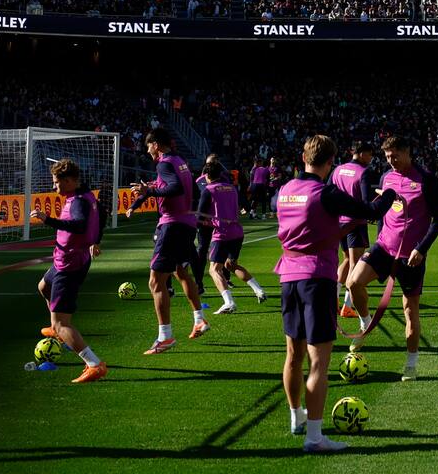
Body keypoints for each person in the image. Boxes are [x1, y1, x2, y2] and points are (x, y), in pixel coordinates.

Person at [276, 134, 394, 454]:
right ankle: (315, 438)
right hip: (316, 278)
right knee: (319, 362)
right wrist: (390, 193)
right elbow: (371, 210)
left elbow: (308, 228)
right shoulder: (325, 192)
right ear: (330, 162)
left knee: (293, 355)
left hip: (288, 276)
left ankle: (296, 417)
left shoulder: (284, 190)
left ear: (304, 158)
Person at [346, 135, 438, 381]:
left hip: (411, 256)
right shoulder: (386, 178)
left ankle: (411, 365)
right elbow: (383, 213)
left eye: (395, 156)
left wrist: (421, 249)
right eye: (388, 156)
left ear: (407, 152)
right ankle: (366, 323)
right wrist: (380, 237)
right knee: (353, 282)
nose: (391, 161)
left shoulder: (426, 180)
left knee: (410, 311)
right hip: (384, 247)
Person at [126, 127, 206, 352]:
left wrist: (150, 192)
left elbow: (175, 188)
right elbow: (187, 189)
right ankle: (199, 319)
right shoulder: (180, 161)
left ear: (156, 145)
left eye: (148, 146)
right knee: (181, 272)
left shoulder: (164, 163)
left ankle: (165, 337)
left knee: (155, 281)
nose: (147, 150)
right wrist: (149, 190)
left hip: (172, 226)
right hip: (186, 224)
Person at [30, 158, 107, 384]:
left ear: (70, 180)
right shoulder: (85, 196)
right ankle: (57, 329)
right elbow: (102, 214)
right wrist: (96, 240)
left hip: (69, 264)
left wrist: (48, 220)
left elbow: (80, 225)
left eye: (57, 182)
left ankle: (94, 364)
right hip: (64, 259)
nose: (54, 186)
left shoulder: (79, 202)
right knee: (43, 286)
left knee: (62, 323)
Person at [195, 155, 266, 315]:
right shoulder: (231, 188)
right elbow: (241, 206)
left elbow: (199, 217)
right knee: (230, 265)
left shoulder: (208, 190)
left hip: (222, 234)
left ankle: (229, 302)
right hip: (237, 232)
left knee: (214, 269)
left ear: (207, 175)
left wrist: (203, 222)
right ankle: (258, 290)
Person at [330, 140, 380, 319]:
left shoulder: (338, 169)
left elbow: (328, 191)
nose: (371, 158)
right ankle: (347, 306)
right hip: (355, 223)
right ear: (362, 153)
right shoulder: (363, 171)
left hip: (339, 222)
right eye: (370, 154)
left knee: (346, 259)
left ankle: (333, 299)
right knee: (355, 264)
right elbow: (365, 201)